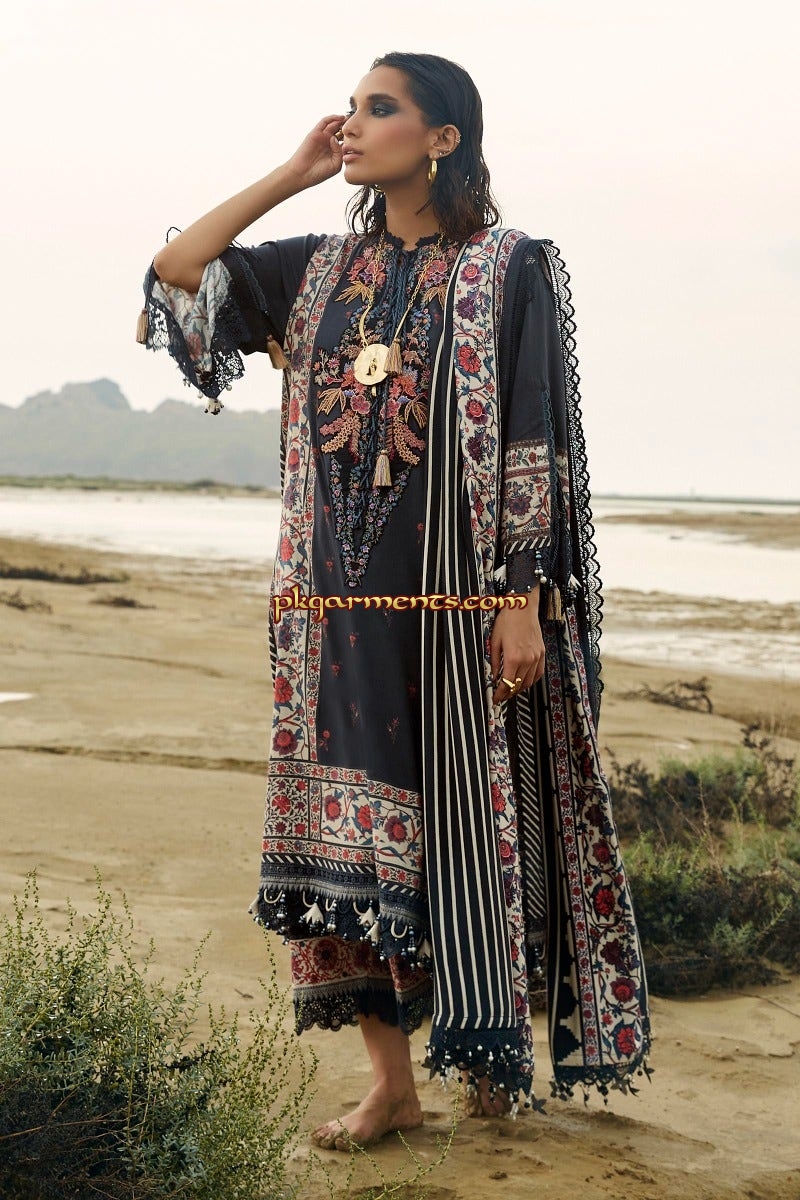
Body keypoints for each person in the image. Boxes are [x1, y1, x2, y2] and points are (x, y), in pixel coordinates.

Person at [139, 51, 650, 1151]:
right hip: (333, 618)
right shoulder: (314, 270)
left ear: (442, 138)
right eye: (351, 108)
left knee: (475, 833)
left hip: (460, 612)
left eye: (380, 109)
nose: (353, 124)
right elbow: (178, 274)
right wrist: (291, 173)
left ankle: (486, 1052)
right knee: (344, 853)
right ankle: (392, 1088)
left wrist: (521, 597)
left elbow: (532, 440)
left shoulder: (507, 268)